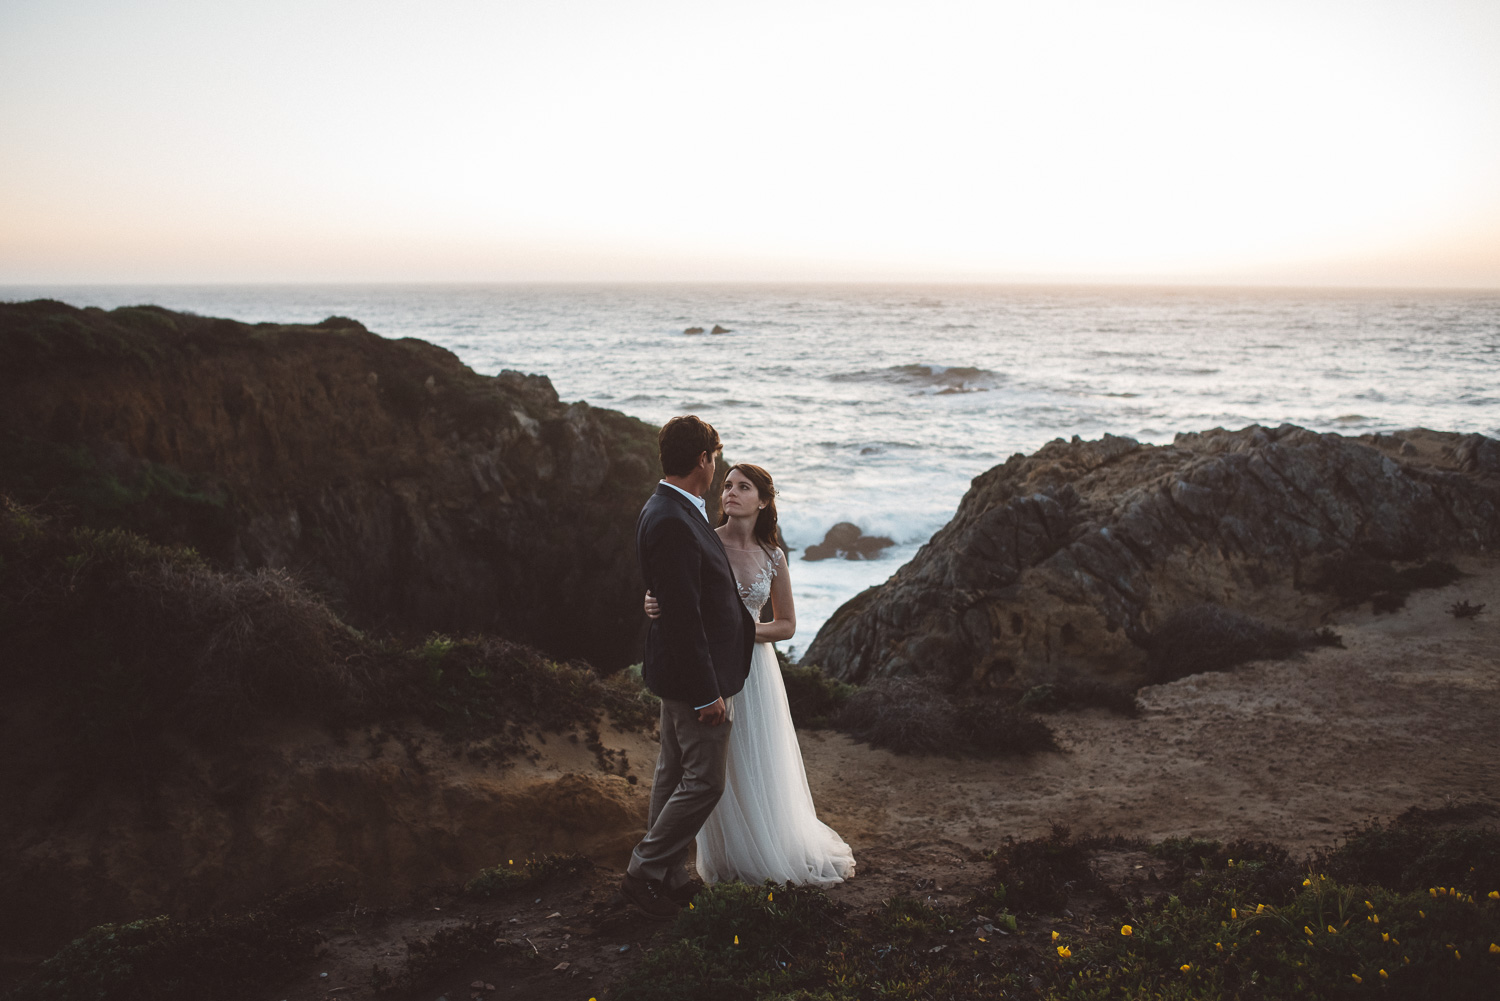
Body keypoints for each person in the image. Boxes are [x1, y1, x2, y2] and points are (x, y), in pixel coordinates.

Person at [646, 463, 855, 887]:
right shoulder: (706, 542)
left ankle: (762, 856)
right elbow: (677, 596)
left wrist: (741, 632)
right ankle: (714, 860)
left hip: (756, 672)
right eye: (727, 486)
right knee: (709, 769)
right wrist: (652, 603)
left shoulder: (774, 556)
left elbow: (787, 626)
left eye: (744, 487)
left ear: (763, 500)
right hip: (711, 668)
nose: (731, 493)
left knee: (757, 763)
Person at [621, 416, 756, 917]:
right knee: (705, 782)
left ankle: (671, 874)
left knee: (672, 771)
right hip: (691, 678)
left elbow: (676, 594)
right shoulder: (674, 518)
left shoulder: (671, 507)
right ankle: (644, 871)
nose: (716, 467)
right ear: (703, 459)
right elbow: (682, 617)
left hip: (675, 671)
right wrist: (707, 694)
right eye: (715, 458)